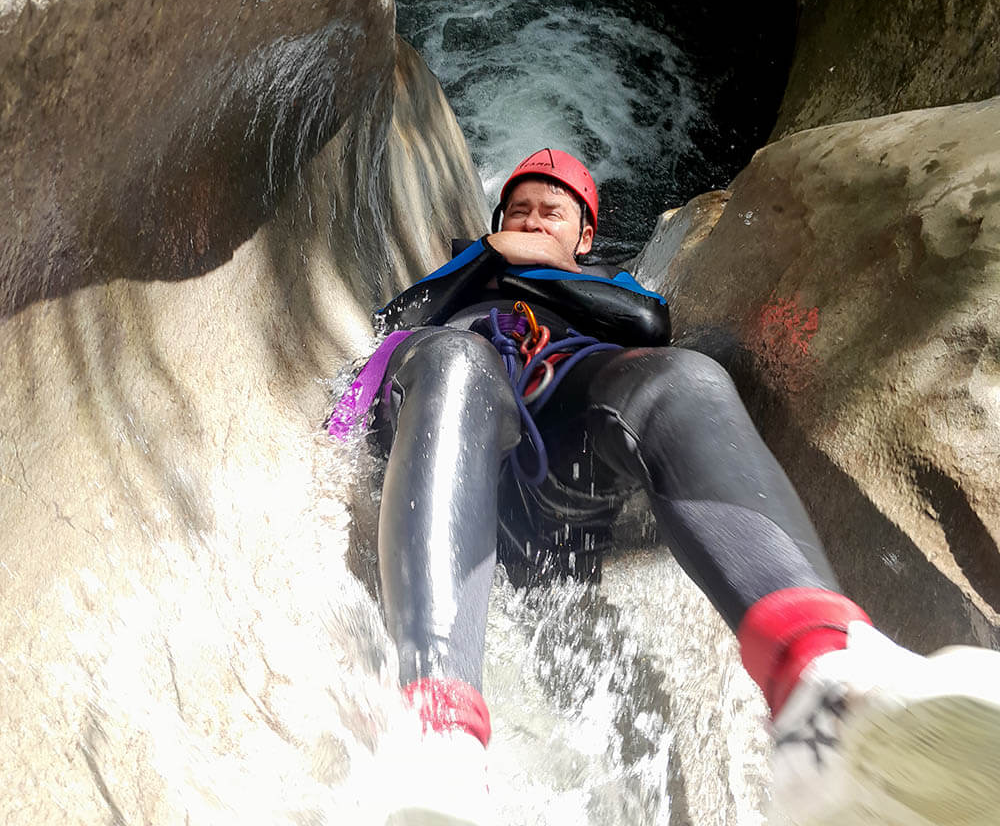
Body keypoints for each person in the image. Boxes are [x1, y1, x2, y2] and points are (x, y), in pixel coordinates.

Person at [330, 148, 1000, 826]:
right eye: (518, 212)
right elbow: (400, 320)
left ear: (584, 235)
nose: (531, 222)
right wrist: (488, 256)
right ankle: (435, 739)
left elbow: (648, 325)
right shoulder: (464, 267)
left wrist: (528, 268)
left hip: (558, 436)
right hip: (447, 407)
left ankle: (825, 686)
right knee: (457, 359)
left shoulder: (610, 286)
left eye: (550, 213)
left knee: (685, 378)